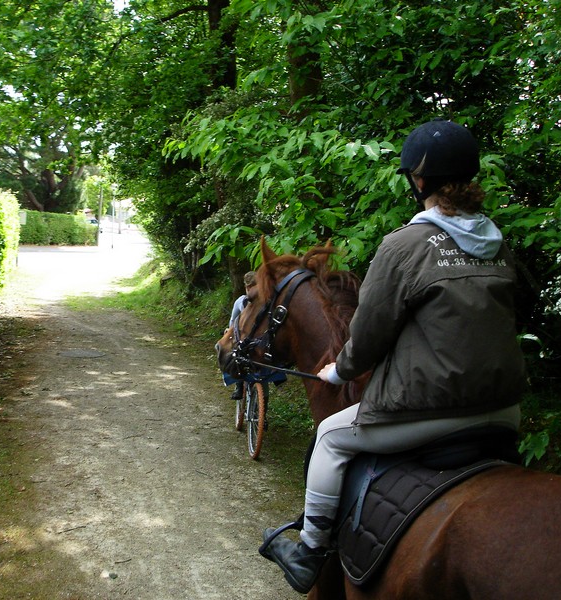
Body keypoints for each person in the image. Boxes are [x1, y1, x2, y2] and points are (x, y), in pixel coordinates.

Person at [260, 119, 527, 593]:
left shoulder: (404, 245)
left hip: (431, 412)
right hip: (504, 411)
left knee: (330, 437)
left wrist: (336, 369)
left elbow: (366, 337)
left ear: (417, 181)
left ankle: (309, 551)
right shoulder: (499, 245)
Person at [226, 271, 257, 399]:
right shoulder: (242, 302)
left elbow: (233, 320)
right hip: (252, 339)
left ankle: (239, 388)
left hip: (251, 339)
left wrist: (229, 331)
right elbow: (233, 321)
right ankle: (239, 386)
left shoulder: (242, 301)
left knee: (236, 356)